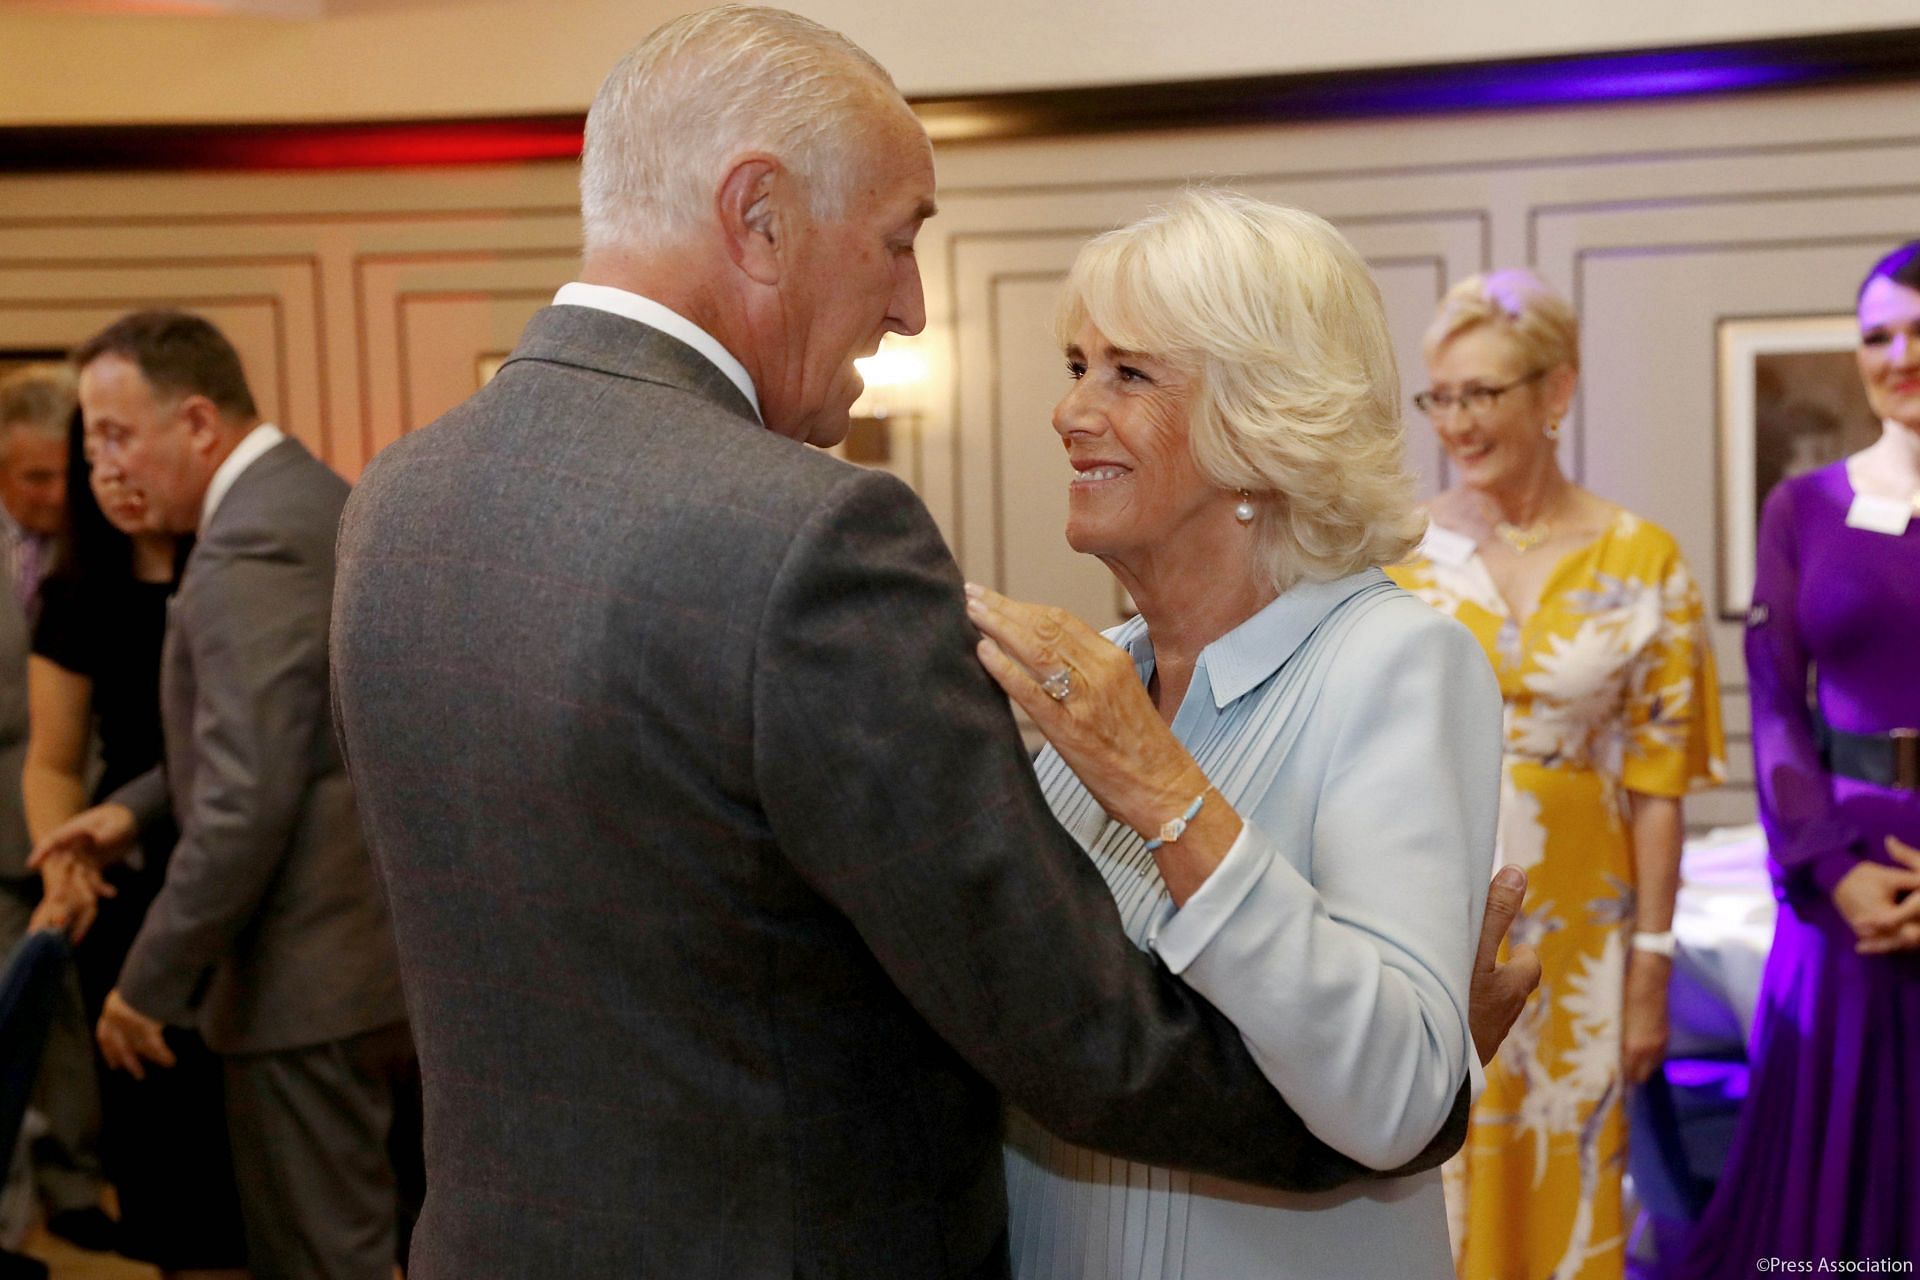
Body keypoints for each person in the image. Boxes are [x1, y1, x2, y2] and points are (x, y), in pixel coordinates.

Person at [327, 9, 1536, 1279]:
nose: (911, 308)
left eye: (1125, 371)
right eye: (899, 242)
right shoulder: (864, 572)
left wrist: (1394, 1072)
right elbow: (1057, 1022)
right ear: (761, 216)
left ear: (1262, 421)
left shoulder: (395, 503)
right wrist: (1402, 1100)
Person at [961, 190, 1506, 1280]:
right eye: (1077, 366)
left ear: (1264, 421)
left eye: (1128, 373)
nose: (1070, 411)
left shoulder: (1394, 662)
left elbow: (1398, 1091)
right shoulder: (1095, 684)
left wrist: (1160, 783)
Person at [30, 311, 414, 1280]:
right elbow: (291, 727)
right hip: (358, 958)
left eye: (116, 434)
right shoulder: (306, 497)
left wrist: (146, 982)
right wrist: (135, 811)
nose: (100, 466)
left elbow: (249, 796)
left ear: (198, 423)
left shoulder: (246, 547)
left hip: (303, 976)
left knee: (321, 1257)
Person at [1386, 269, 1725, 1280]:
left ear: (1556, 391)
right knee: (1433, 1167)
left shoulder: (1645, 556)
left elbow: (1659, 787)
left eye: (1481, 392)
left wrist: (1651, 970)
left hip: (1586, 926)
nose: (1456, 420)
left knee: (1573, 1168)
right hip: (1430, 904)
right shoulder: (1395, 553)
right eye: (1440, 396)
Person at [1673, 242, 1920, 1276]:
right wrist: (1829, 869)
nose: (1897, 353)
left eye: (1918, 329)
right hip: (1844, 870)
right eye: (1876, 334)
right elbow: (1776, 704)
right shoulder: (1804, 506)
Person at [24, 406, 248, 1278]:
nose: (111, 471)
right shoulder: (77, 589)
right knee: (164, 1161)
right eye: (93, 452)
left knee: (257, 1152)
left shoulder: (237, 562)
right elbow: (50, 760)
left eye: (124, 444)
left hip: (238, 867)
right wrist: (63, 858)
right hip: (131, 885)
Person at [0, 365, 110, 1258]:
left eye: (61, 474)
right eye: (33, 476)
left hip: (88, 825)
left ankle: (77, 1185)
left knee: (70, 1016)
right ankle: (9, 1208)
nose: (52, 493)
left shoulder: (102, 549)